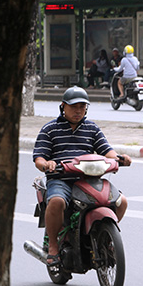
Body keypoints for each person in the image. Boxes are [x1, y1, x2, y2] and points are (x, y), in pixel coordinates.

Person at [33, 86, 132, 268]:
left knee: (122, 201)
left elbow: (106, 150)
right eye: (74, 106)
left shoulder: (91, 128)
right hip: (61, 179)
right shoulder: (50, 129)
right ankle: (53, 245)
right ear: (63, 106)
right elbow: (39, 158)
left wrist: (119, 158)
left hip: (89, 179)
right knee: (56, 201)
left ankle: (104, 237)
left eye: (82, 106)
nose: (78, 110)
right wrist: (46, 164)